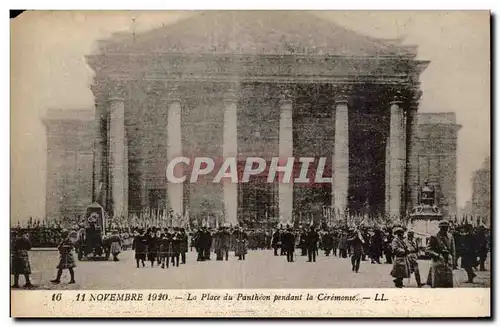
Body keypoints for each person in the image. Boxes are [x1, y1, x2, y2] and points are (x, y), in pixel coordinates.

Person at [426, 220, 456, 288]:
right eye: (443, 228)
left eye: (446, 228)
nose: (445, 229)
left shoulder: (450, 236)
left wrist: (453, 262)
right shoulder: (434, 236)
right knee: (437, 284)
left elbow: (453, 250)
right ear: (440, 228)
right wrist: (437, 255)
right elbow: (428, 250)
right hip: (438, 262)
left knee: (448, 284)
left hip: (448, 262)